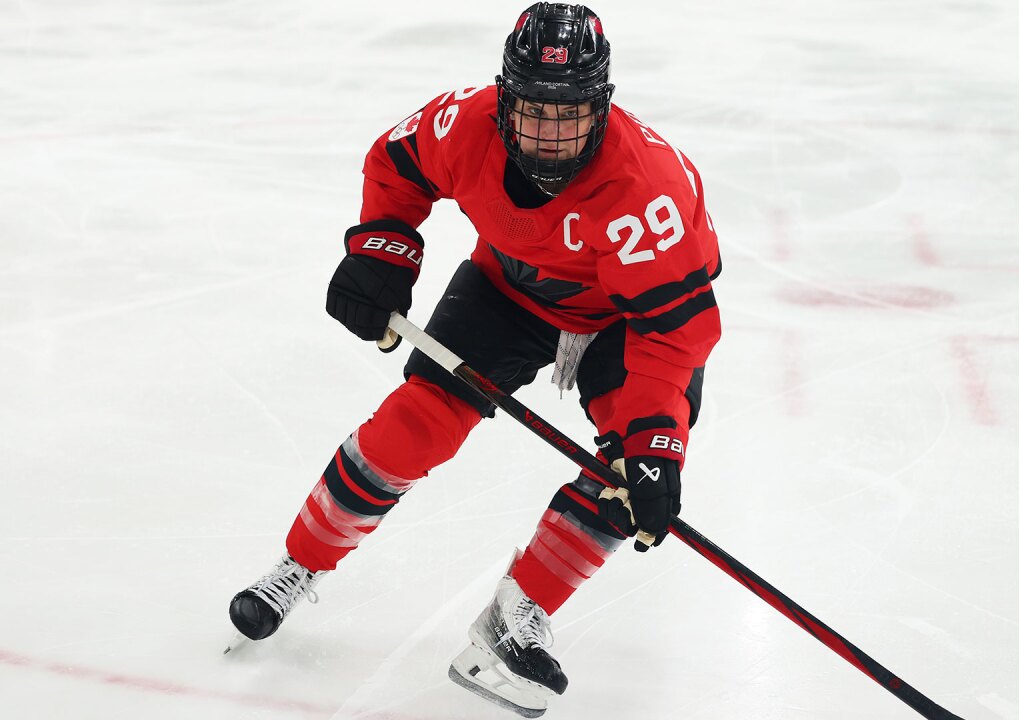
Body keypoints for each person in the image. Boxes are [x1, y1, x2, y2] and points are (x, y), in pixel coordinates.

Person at [228, 3, 721, 717]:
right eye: (532, 110)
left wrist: (653, 441)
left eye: (570, 113)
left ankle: (519, 613)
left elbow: (672, 330)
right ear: (502, 97)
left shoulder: (648, 189)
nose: (549, 134)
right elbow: (396, 165)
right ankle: (296, 566)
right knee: (413, 424)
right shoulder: (463, 123)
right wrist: (381, 249)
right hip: (506, 287)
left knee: (630, 475)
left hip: (626, 322)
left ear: (603, 104)